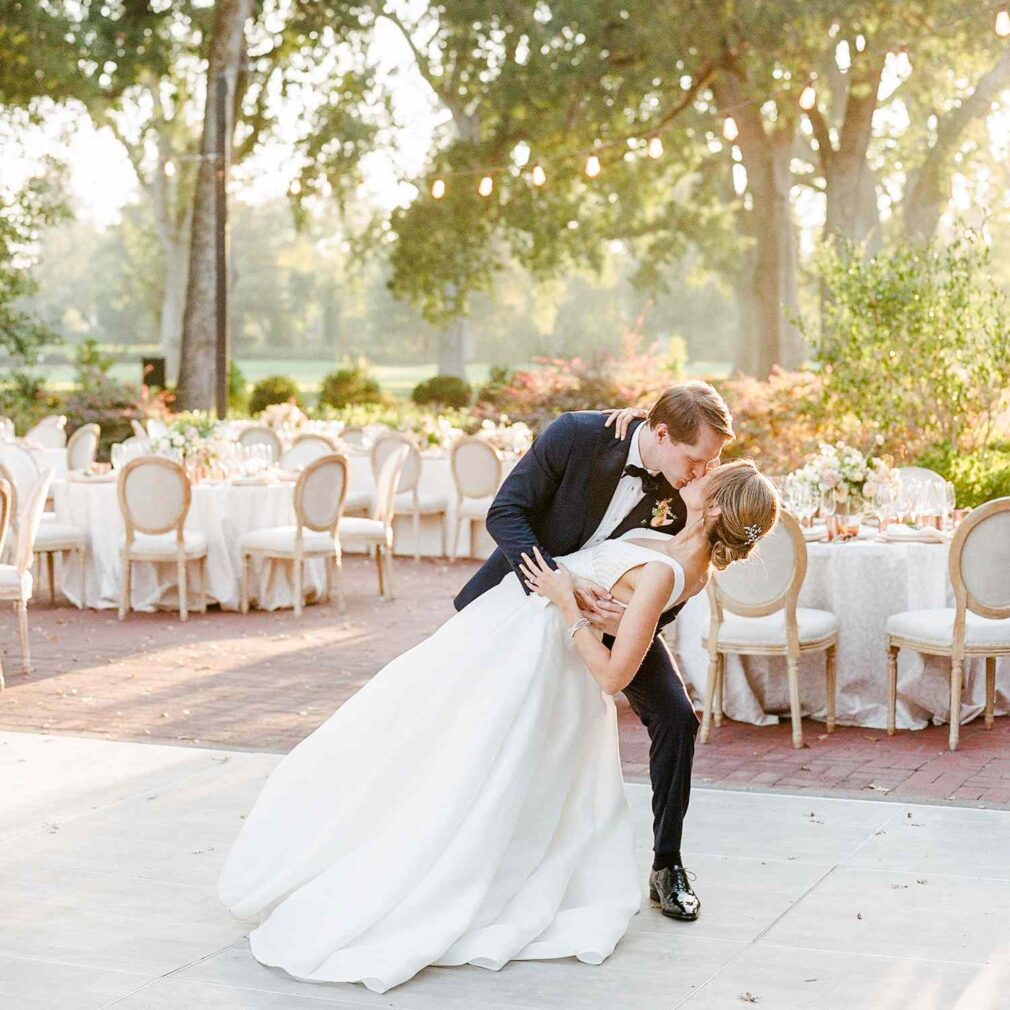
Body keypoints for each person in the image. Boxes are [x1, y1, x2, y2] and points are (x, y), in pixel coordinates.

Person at [217, 449, 778, 994]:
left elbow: (611, 678)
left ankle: (645, 863)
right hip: (510, 621)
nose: (703, 470)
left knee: (464, 758)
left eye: (713, 473)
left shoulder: (673, 570)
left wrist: (566, 601)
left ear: (717, 510)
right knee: (429, 733)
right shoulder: (678, 533)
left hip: (538, 642)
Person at [455, 381, 734, 920]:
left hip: (613, 618)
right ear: (658, 433)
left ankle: (667, 864)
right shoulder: (577, 435)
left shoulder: (690, 489)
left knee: (677, 718)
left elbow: (678, 578)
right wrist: (558, 581)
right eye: (697, 459)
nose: (703, 473)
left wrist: (633, 619)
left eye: (712, 462)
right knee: (484, 719)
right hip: (527, 593)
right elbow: (505, 514)